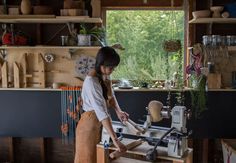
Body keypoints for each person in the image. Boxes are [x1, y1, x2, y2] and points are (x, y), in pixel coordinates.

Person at [74, 46, 129, 163]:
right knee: (87, 159)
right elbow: (102, 113)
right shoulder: (91, 83)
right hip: (88, 125)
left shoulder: (104, 75)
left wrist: (119, 111)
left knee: (100, 158)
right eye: (111, 67)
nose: (112, 70)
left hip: (99, 122)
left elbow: (111, 96)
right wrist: (115, 140)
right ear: (102, 65)